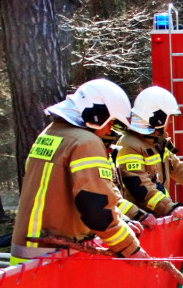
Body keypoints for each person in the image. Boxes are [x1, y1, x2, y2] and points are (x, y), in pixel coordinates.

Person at [10, 79, 149, 265]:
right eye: (111, 122)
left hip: (28, 255)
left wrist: (122, 221)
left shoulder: (50, 134)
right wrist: (130, 248)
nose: (109, 129)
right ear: (98, 114)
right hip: (54, 258)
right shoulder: (86, 142)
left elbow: (66, 196)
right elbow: (97, 209)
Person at [115, 86, 183, 218]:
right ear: (158, 119)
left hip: (158, 216)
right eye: (169, 117)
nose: (171, 121)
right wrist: (169, 207)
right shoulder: (129, 145)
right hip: (143, 220)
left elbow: (180, 171)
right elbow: (140, 186)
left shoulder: (157, 142)